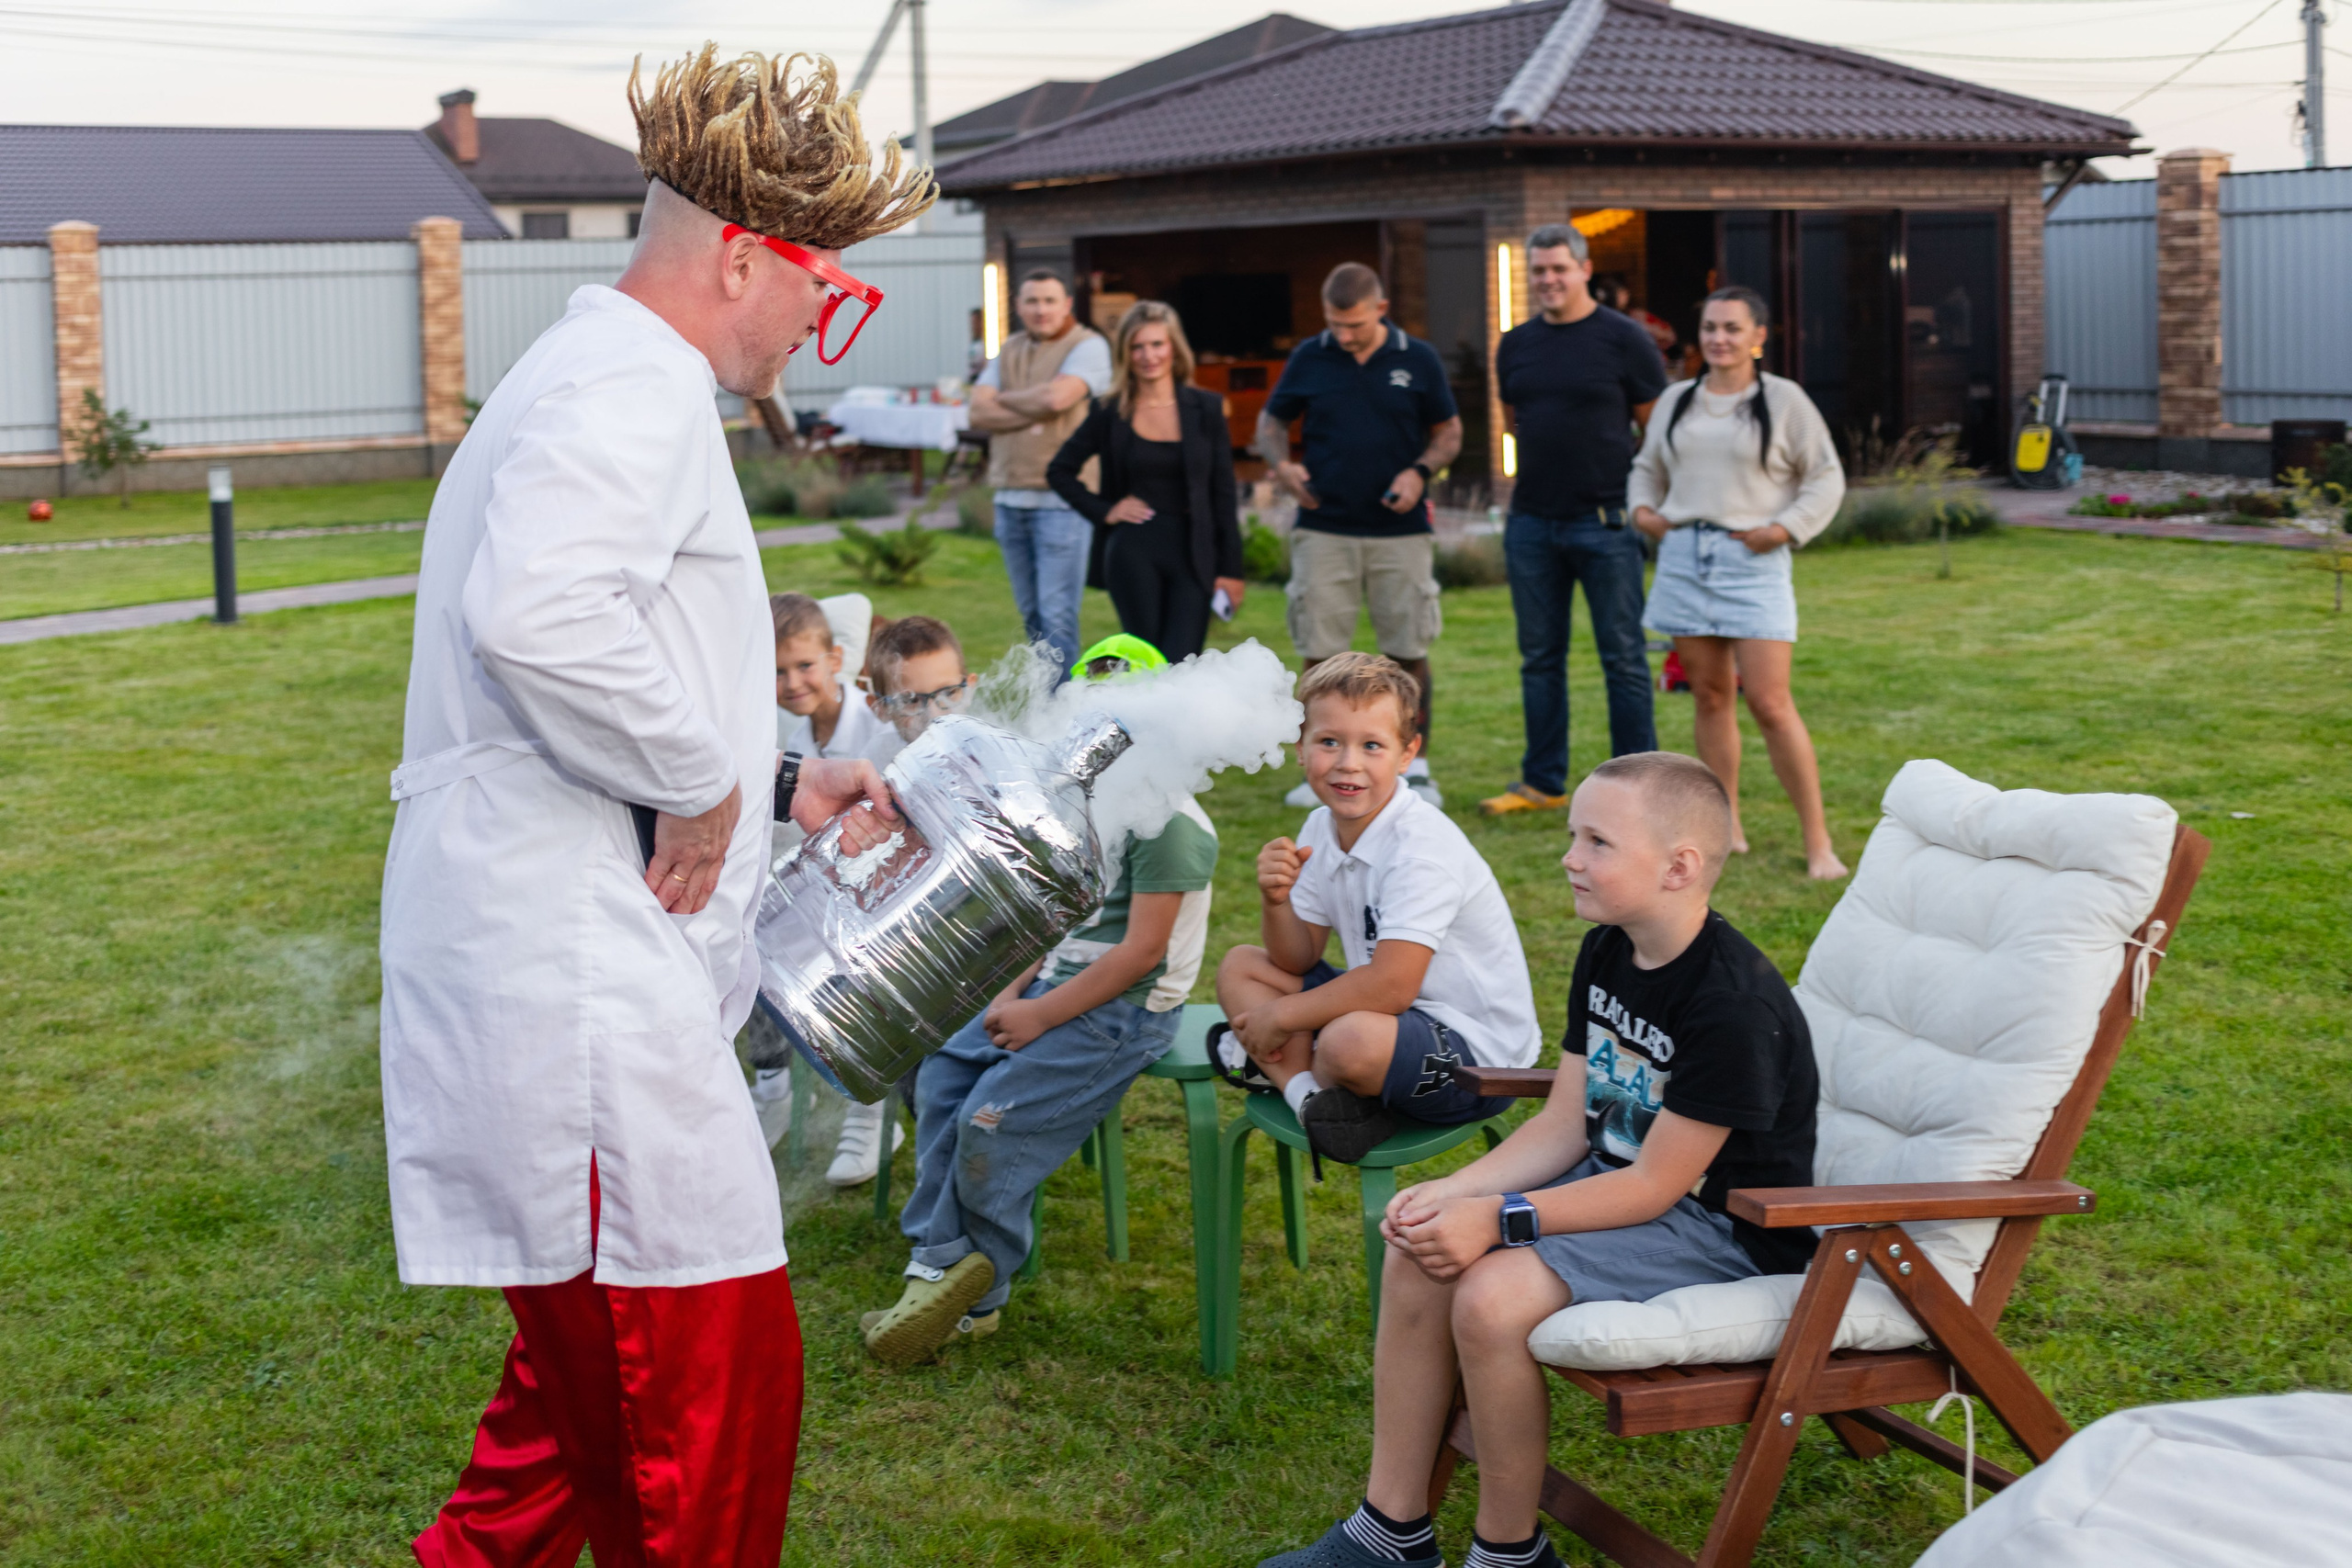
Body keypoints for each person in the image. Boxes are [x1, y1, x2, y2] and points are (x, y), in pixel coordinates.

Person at [383, 46, 927, 1568]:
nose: (827, 315)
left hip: (576, 970)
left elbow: (601, 654)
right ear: (746, 254)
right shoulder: (633, 379)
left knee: (563, 1443)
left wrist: (762, 778)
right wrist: (698, 785)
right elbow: (544, 618)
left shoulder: (598, 372)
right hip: (581, 1000)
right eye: (826, 281)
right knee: (699, 1426)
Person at [1259, 752, 1819, 1568]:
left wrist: (1500, 1216)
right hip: (1623, 1190)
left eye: (1596, 841)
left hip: (1723, 1231)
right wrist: (1452, 1192)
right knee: (1416, 1238)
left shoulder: (1732, 1006)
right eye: (1572, 835)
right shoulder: (1608, 951)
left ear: (1679, 866)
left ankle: (1510, 1554)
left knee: (1491, 1295)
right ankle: (1390, 1531)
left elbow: (1660, 1183)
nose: (1569, 856)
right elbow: (1567, 1120)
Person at [859, 636, 1219, 1364]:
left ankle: (976, 1296)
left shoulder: (1172, 825)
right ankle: (936, 1257)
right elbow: (1044, 919)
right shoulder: (1080, 803)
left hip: (1122, 1015)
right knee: (941, 1076)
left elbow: (1138, 956)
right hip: (1052, 989)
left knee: (992, 1122)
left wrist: (1038, 1015)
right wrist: (1012, 988)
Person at [1214, 654, 1538, 1165]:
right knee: (1242, 965)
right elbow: (1295, 959)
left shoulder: (1420, 847)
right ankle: (1313, 1100)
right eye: (1329, 742)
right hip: (1394, 1015)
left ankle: (1292, 1064)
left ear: (1408, 753)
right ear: (1300, 749)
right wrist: (1275, 900)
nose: (1348, 763)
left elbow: (1392, 985)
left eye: (1371, 745)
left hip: (1480, 1057)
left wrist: (1281, 1017)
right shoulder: (1320, 827)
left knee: (1348, 1041)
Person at [1630, 286, 1849, 880]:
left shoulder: (1784, 400)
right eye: (1709, 327)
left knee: (1772, 704)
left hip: (1752, 560)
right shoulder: (1678, 399)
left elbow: (1826, 477)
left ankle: (1819, 844)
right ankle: (1726, 828)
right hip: (1683, 557)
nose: (1718, 338)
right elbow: (1645, 468)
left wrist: (1786, 528)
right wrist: (1644, 512)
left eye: (1732, 328)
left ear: (1758, 336)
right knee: (1710, 697)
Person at [1482, 225, 1670, 820]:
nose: (1548, 280)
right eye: (1538, 271)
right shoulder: (1514, 345)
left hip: (1607, 521)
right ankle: (1542, 780)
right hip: (1532, 521)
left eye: (1559, 268)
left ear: (1585, 269)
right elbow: (1516, 420)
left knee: (1623, 657)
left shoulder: (1625, 340)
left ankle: (1638, 786)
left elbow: (1656, 428)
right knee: (1539, 657)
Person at [1257, 263, 1461, 809]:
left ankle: (1415, 768)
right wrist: (1282, 467)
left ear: (1380, 308)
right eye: (1335, 325)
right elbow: (1270, 424)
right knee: (1320, 659)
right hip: (1325, 527)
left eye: (1354, 325)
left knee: (1407, 652)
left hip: (1401, 531)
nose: (1344, 336)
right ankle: (1319, 770)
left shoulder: (1417, 359)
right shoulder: (1310, 356)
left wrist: (1420, 471)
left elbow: (1450, 431)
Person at [746, 591, 891, 1156]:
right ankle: (776, 1084)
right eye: (777, 672)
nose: (792, 683)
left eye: (804, 666)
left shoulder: (869, 726)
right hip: (834, 889)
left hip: (882, 893)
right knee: (753, 938)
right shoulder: (801, 738)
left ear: (837, 659)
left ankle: (873, 1110)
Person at [1046, 300, 1247, 661]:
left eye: (1157, 344)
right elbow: (1059, 470)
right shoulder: (1109, 411)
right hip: (1133, 551)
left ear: (1174, 348)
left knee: (1182, 661)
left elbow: (1224, 494)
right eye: (1137, 346)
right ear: (1126, 353)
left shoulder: (1207, 409)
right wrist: (1105, 510)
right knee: (1144, 660)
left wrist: (1231, 570)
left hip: (1193, 553)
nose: (1148, 355)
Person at [967, 270, 1112, 677]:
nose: (1040, 310)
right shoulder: (1010, 348)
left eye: (1050, 300)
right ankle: (1044, 703)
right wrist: (1033, 407)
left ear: (1067, 304)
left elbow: (1057, 397)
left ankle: (1064, 708)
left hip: (1061, 503)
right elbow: (977, 411)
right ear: (1018, 307)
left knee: (1057, 613)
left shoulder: (1089, 346)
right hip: (1009, 498)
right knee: (1030, 614)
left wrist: (1006, 401)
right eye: (1032, 301)